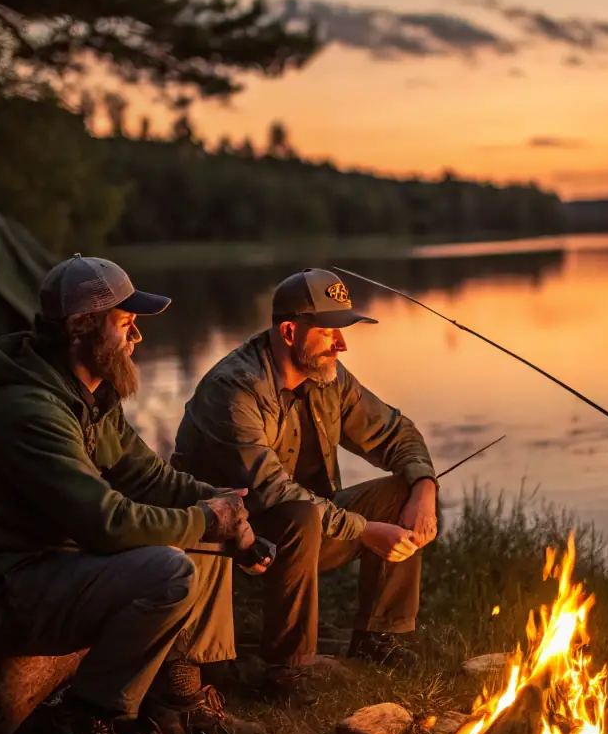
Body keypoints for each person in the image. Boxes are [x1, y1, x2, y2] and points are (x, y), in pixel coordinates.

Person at [0, 254, 259, 734]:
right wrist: (207, 518)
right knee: (169, 568)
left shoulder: (89, 398)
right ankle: (82, 721)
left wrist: (226, 507)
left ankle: (178, 705)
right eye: (125, 324)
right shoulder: (32, 411)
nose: (137, 338)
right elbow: (107, 523)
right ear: (81, 327)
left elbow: (151, 479)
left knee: (201, 531)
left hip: (40, 574)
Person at [171, 268, 438, 702]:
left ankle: (378, 637)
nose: (343, 344)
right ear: (291, 331)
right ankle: (286, 668)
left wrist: (424, 488)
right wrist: (365, 530)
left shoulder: (329, 375)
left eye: (344, 331)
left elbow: (397, 434)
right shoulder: (235, 388)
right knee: (298, 514)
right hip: (229, 543)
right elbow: (272, 491)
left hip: (304, 530)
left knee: (398, 491)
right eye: (331, 332)